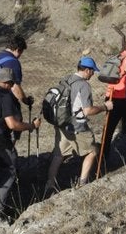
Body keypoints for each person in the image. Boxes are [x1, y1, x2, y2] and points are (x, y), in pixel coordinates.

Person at [0, 67, 41, 224]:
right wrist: (31, 126)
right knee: (9, 174)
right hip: (0, 142)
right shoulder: (4, 96)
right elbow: (12, 124)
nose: (13, 87)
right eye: (12, 84)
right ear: (7, 83)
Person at [45, 57, 113, 192]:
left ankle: (49, 184)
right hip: (77, 126)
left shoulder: (67, 79)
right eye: (92, 71)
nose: (93, 74)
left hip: (62, 123)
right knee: (93, 151)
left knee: (59, 155)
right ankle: (82, 184)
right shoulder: (83, 85)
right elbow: (88, 111)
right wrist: (105, 107)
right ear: (87, 70)